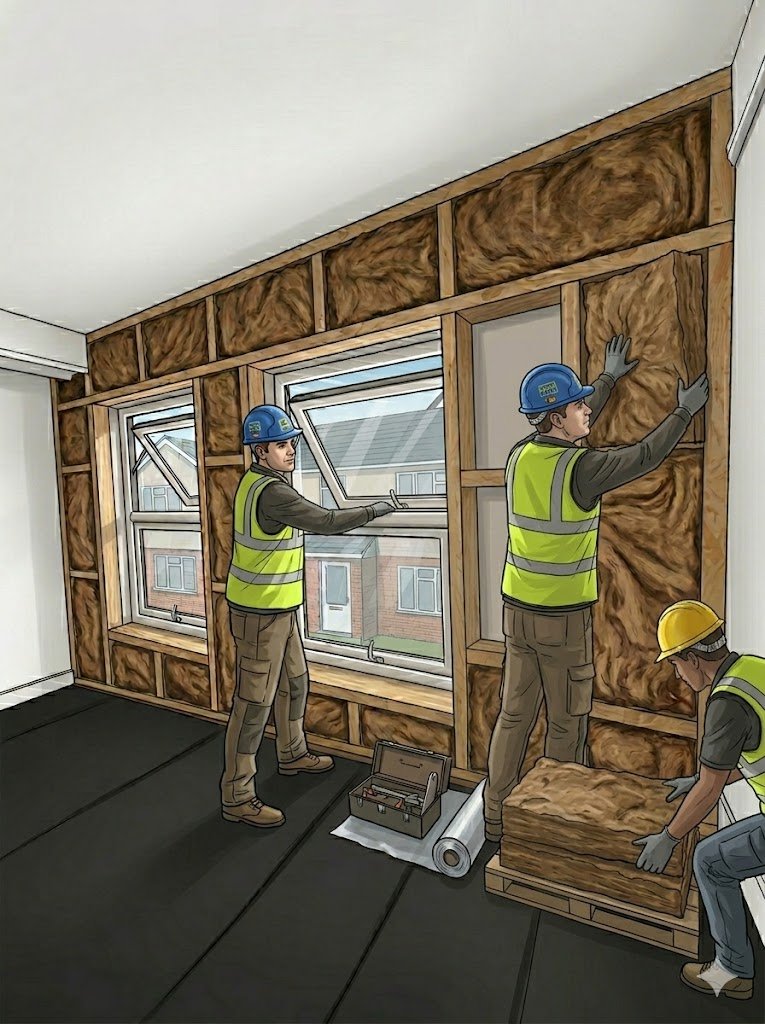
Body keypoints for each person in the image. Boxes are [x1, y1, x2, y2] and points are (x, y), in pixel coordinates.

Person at [483, 335, 710, 841]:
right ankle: (551, 826)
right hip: (561, 619)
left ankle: (496, 818)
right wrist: (684, 412)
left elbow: (576, 429)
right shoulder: (581, 470)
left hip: (517, 611)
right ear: (557, 417)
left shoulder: (521, 457)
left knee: (514, 716)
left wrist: (608, 378)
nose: (588, 410)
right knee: (567, 721)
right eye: (579, 405)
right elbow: (645, 455)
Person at [221, 404, 394, 828]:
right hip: (259, 613)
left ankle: (292, 754)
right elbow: (326, 521)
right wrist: (376, 509)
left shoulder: (260, 482)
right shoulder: (272, 492)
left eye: (292, 443)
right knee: (254, 703)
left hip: (279, 609)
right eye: (282, 445)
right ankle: (238, 794)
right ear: (260, 452)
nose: (291, 451)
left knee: (295, 683)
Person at [634, 600, 763, 1002]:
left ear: (693, 658)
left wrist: (668, 838)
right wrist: (707, 776)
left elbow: (707, 792)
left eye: (675, 663)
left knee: (709, 860)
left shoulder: (725, 703)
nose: (676, 673)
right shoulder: (754, 669)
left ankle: (734, 973)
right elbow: (754, 749)